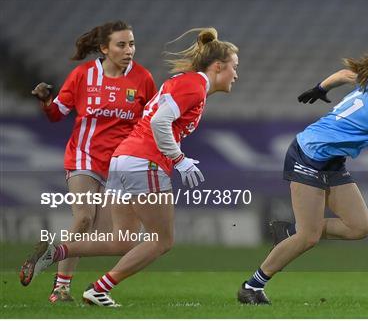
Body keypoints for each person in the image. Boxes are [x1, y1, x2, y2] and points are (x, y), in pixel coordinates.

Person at [20, 27, 239, 307]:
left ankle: (55, 251)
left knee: (121, 240)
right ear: (218, 66)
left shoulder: (185, 83)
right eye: (235, 67)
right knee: (162, 241)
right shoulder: (194, 85)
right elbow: (160, 122)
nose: (236, 74)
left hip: (123, 159)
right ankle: (98, 289)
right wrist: (179, 159)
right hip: (144, 161)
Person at [237, 51, 368, 304]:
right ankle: (251, 286)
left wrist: (320, 88)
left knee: (359, 227)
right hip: (307, 156)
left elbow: (343, 75)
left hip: (331, 161)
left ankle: (291, 231)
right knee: (309, 237)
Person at [24, 20, 156, 303]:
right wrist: (47, 102)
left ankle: (53, 251)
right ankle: (60, 289)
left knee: (114, 238)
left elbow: (150, 122)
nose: (129, 50)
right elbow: (58, 112)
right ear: (104, 48)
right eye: (121, 44)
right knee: (84, 217)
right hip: (83, 158)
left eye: (132, 43)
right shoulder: (83, 75)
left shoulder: (143, 79)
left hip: (119, 166)